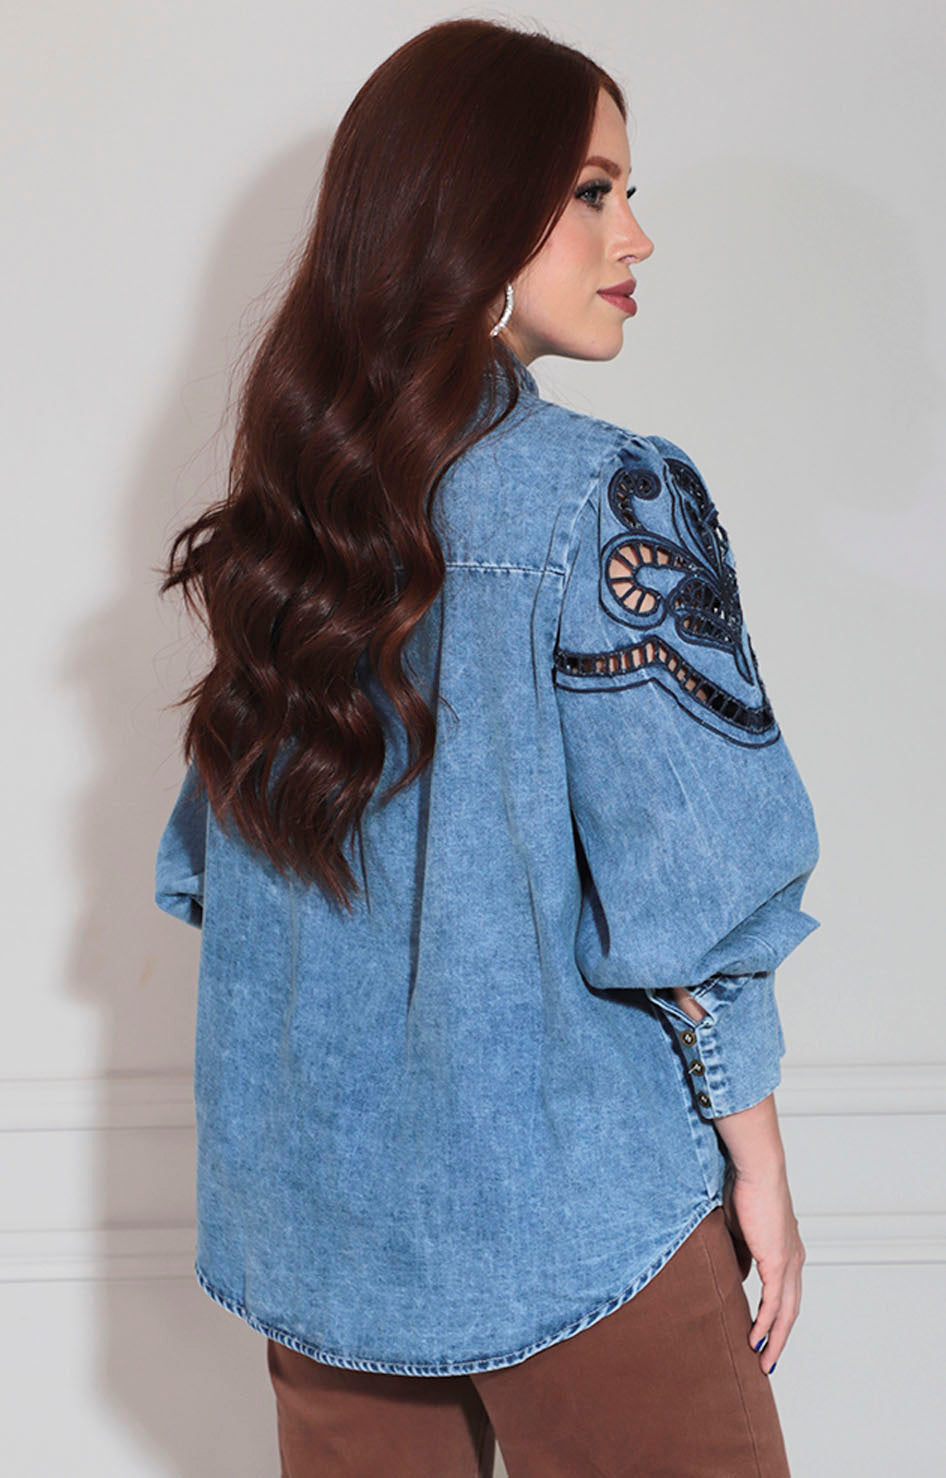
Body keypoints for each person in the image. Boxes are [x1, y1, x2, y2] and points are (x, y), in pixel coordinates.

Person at [153, 18, 819, 1476]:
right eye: (592, 191)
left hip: (316, 1230)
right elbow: (691, 897)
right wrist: (758, 1161)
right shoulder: (605, 499)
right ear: (468, 209)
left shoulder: (289, 521)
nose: (636, 234)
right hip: (579, 1220)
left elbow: (218, 878)